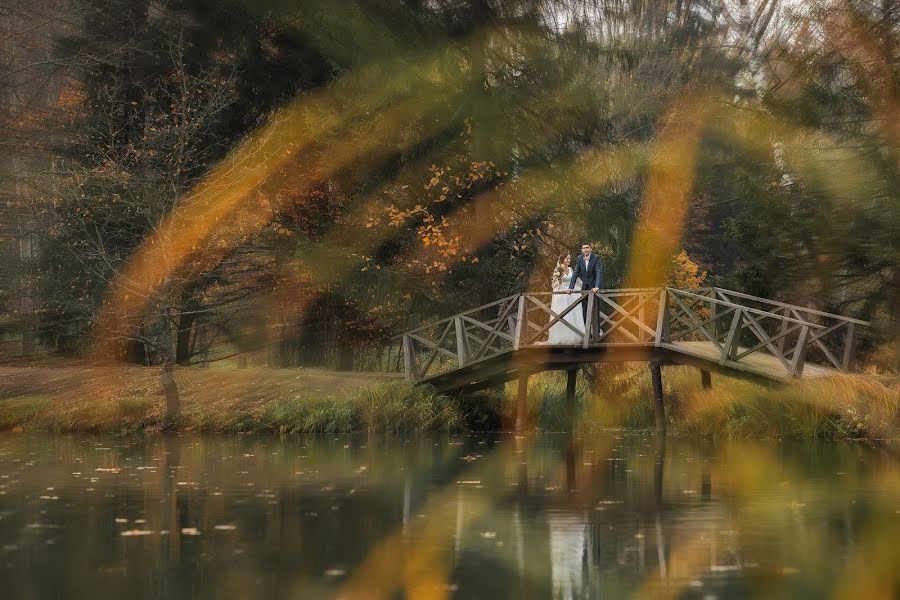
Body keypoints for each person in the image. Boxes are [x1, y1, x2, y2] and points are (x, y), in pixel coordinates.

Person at [548, 253, 586, 345]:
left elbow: (575, 280)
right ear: (563, 259)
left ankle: (576, 335)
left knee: (573, 313)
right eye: (567, 259)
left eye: (569, 258)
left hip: (571, 294)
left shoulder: (570, 269)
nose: (569, 260)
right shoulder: (558, 269)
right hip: (562, 294)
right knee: (563, 314)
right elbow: (555, 284)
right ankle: (562, 337)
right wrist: (559, 280)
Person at [567, 242, 603, 320]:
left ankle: (596, 331)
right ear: (581, 250)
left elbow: (598, 272)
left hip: (594, 288)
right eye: (584, 248)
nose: (585, 250)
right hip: (584, 288)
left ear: (590, 249)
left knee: (595, 310)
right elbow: (575, 273)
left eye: (587, 248)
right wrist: (571, 287)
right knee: (584, 310)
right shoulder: (579, 258)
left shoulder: (596, 258)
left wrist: (597, 286)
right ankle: (586, 331)